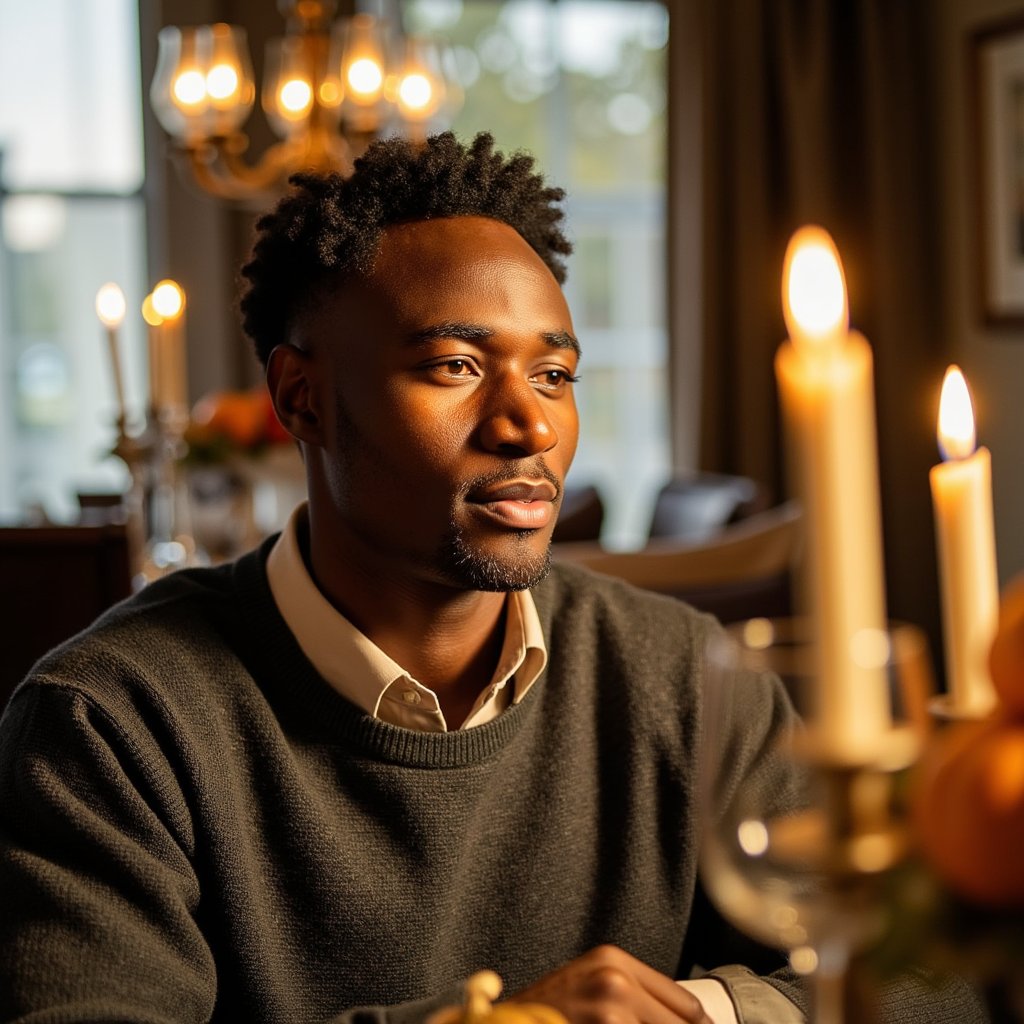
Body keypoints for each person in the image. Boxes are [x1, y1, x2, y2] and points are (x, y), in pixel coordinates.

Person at [0, 132, 987, 1024]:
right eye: (455, 367)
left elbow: (931, 979)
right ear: (301, 398)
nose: (529, 425)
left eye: (553, 374)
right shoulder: (111, 719)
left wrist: (701, 1014)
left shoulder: (684, 675)